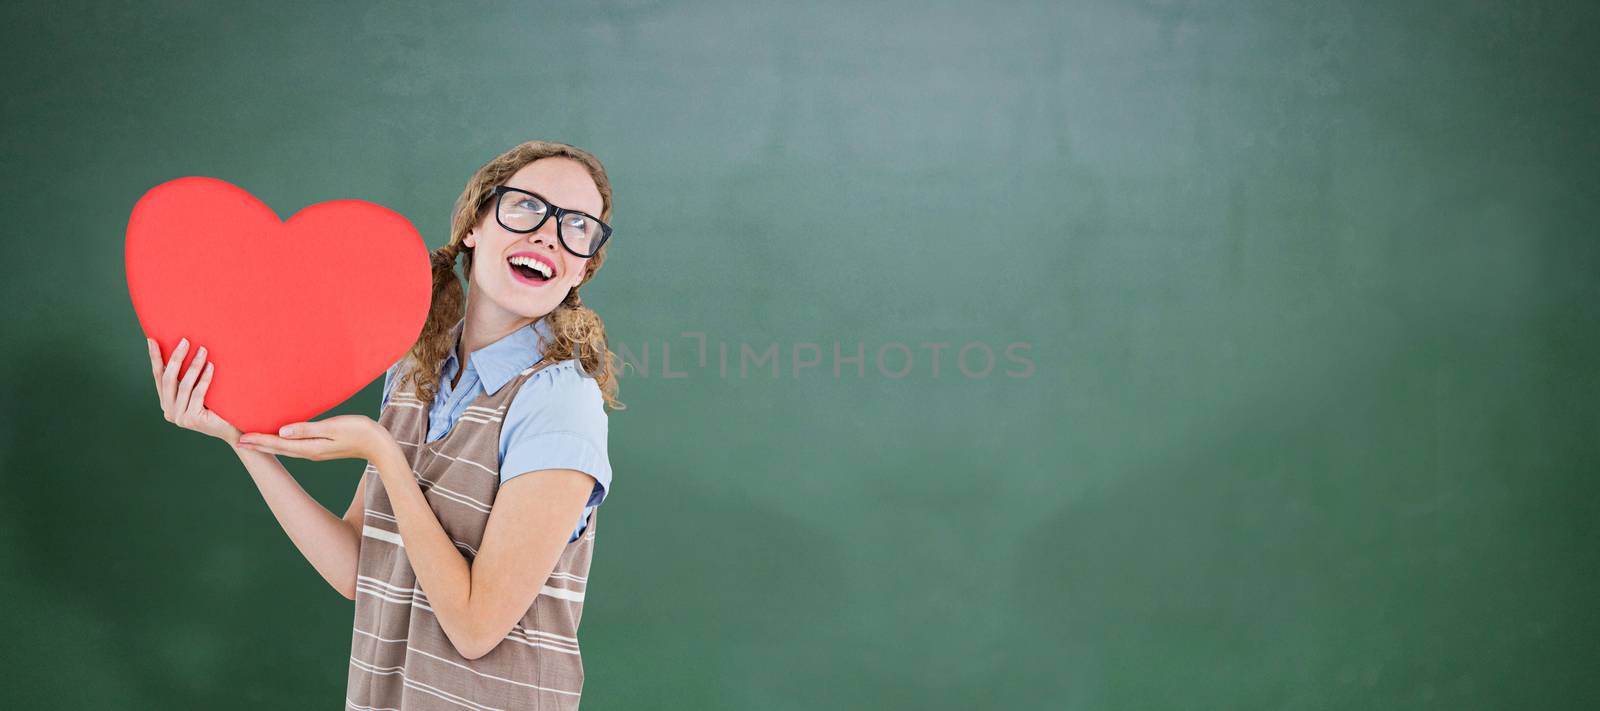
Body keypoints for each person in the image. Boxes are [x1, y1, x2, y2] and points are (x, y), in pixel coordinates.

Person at [145, 140, 623, 709]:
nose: (548, 233)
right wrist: (240, 440)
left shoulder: (558, 401)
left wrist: (382, 454)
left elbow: (475, 628)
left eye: (577, 226)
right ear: (474, 223)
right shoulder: (415, 372)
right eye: (526, 206)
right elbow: (358, 568)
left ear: (583, 267)